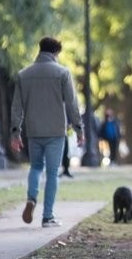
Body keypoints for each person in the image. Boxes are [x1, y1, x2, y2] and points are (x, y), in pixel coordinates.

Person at [9, 36, 84, 228]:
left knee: (35, 167)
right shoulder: (62, 73)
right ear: (55, 53)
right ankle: (47, 216)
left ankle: (31, 198)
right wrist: (79, 129)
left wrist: (15, 133)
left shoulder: (24, 74)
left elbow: (16, 107)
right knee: (52, 173)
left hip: (33, 130)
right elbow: (72, 104)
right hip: (56, 131)